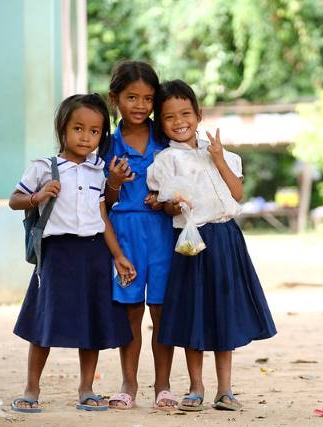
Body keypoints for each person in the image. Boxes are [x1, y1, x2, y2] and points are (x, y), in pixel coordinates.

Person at [147, 79, 277, 412]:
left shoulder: (227, 156)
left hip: (225, 239)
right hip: (191, 243)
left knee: (224, 311)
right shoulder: (165, 161)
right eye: (169, 117)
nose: (179, 122)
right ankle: (195, 387)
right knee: (195, 313)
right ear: (160, 124)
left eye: (185, 113)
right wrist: (172, 205)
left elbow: (237, 194)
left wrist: (218, 158)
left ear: (199, 114)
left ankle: (226, 389)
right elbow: (164, 205)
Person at [9, 93, 136, 413]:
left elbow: (103, 217)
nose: (86, 137)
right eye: (78, 128)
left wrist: (118, 255)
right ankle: (31, 388)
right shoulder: (44, 167)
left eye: (95, 131)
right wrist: (37, 196)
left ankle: (87, 388)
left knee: (90, 322)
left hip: (93, 253)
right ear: (62, 129)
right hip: (57, 253)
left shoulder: (99, 170)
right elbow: (14, 199)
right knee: (44, 322)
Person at [103, 61, 177, 410]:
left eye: (148, 98)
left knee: (161, 310)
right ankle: (128, 384)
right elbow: (103, 201)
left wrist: (164, 198)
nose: (140, 105)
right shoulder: (107, 143)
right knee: (131, 310)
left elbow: (182, 181)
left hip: (163, 233)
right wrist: (115, 183)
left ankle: (163, 385)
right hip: (125, 234)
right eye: (131, 97)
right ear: (114, 98)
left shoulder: (165, 137)